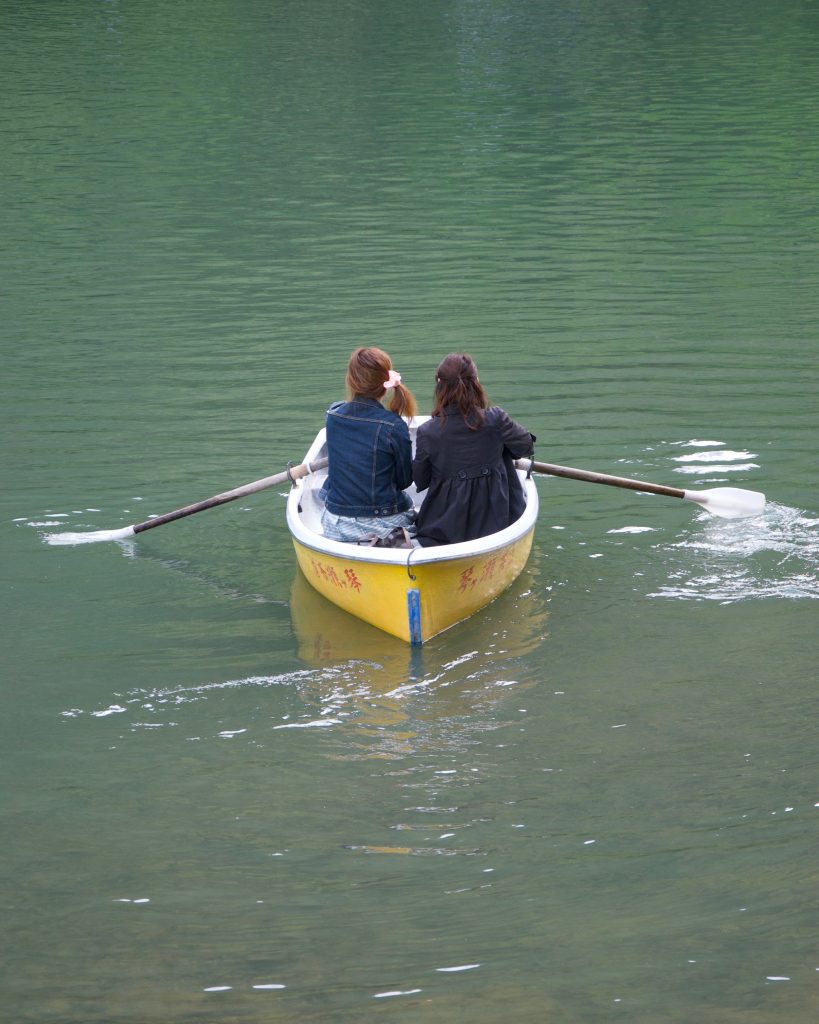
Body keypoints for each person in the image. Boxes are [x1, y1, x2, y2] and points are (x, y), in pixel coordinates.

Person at [412, 353, 535, 547]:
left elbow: (420, 480)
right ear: (476, 382)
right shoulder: (496, 419)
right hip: (498, 523)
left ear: (439, 385)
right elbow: (525, 446)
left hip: (444, 530)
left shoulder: (428, 432)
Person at [320, 347, 418, 546]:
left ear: (350, 380)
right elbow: (405, 481)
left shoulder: (332, 416)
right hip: (385, 524)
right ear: (385, 384)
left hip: (336, 523)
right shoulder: (394, 425)